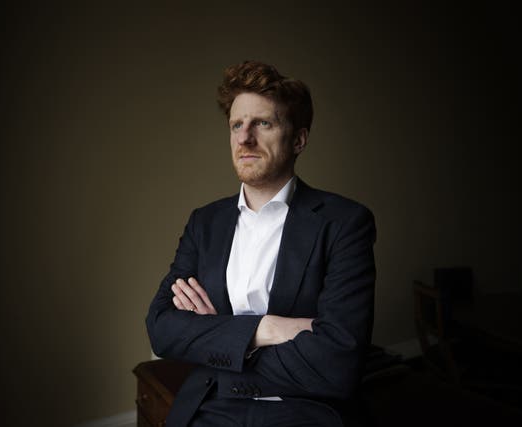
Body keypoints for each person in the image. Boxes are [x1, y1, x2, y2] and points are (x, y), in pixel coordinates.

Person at [146, 60, 376, 427]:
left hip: (303, 409)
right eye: (236, 125)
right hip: (211, 403)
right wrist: (265, 329)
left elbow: (339, 361)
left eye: (262, 123)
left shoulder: (345, 223)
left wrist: (219, 336)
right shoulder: (204, 223)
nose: (244, 138)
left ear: (298, 139)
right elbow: (161, 327)